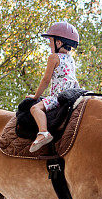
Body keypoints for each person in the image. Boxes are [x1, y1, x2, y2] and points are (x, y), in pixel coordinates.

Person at [28, 21, 80, 153]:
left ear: (58, 43)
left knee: (35, 109)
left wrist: (36, 96)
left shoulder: (54, 57)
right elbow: (74, 80)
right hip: (72, 94)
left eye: (50, 41)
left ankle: (43, 133)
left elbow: (46, 80)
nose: (49, 44)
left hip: (57, 97)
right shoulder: (71, 59)